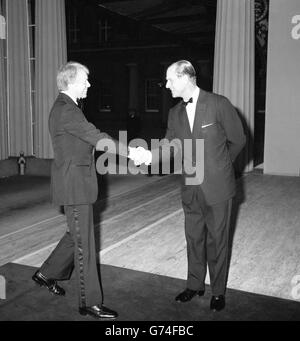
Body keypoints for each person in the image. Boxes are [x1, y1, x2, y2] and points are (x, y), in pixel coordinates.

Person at [131, 60, 246, 311]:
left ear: (185, 77)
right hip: (189, 185)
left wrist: (222, 166)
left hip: (218, 187)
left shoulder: (219, 104)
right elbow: (169, 144)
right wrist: (149, 156)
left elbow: (238, 140)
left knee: (218, 240)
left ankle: (218, 291)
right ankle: (194, 285)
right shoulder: (174, 113)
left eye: (170, 80)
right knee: (193, 238)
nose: (167, 85)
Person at [32, 61, 129, 319]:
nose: (89, 84)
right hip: (75, 185)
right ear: (72, 81)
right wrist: (131, 152)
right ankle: (89, 302)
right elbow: (96, 137)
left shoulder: (66, 108)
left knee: (75, 235)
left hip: (74, 183)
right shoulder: (68, 111)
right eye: (85, 80)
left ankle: (46, 273)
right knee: (84, 243)